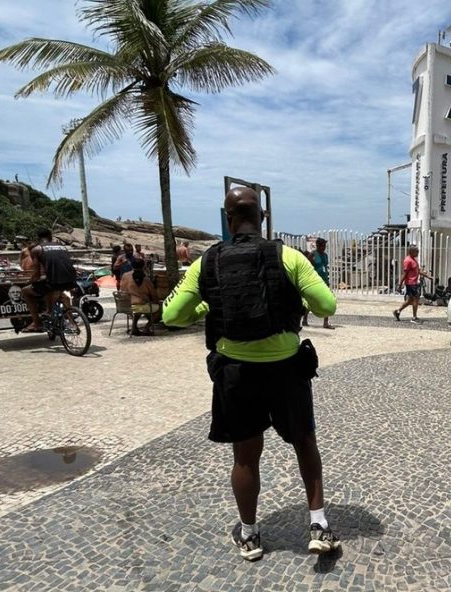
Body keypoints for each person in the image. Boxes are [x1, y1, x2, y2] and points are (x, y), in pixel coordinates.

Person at [162, 186, 340, 561]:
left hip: (236, 372)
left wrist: (204, 311)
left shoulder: (205, 263)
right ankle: (319, 524)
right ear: (262, 218)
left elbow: (171, 315)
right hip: (287, 368)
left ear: (228, 220)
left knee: (245, 456)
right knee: (304, 441)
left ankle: (249, 535)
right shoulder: (289, 257)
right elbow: (327, 304)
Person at [21, 229, 78, 332]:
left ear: (38, 238)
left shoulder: (36, 250)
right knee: (53, 290)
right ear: (51, 237)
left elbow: (36, 273)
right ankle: (70, 321)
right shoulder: (62, 247)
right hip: (71, 279)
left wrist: (31, 282)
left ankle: (37, 323)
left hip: (53, 281)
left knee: (26, 291)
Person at [393, 245, 433, 324]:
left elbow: (418, 271)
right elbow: (405, 274)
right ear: (411, 252)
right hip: (410, 283)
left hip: (414, 283)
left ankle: (397, 311)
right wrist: (400, 284)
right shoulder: (408, 261)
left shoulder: (414, 260)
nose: (418, 253)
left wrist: (428, 276)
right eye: (416, 251)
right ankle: (414, 318)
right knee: (416, 299)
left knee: (409, 300)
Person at [120, 258, 159, 335]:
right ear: (143, 267)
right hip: (138, 306)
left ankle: (134, 327)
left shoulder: (125, 276)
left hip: (125, 305)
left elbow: (122, 289)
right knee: (158, 309)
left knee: (139, 306)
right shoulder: (145, 279)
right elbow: (154, 295)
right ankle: (147, 327)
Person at [303, 238, 334, 329]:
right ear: (318, 246)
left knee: (327, 299)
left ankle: (326, 322)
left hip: (324, 280)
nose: (324, 248)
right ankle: (305, 319)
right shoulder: (313, 255)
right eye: (322, 246)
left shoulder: (325, 255)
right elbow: (306, 266)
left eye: (324, 246)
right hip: (315, 281)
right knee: (310, 301)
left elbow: (325, 266)